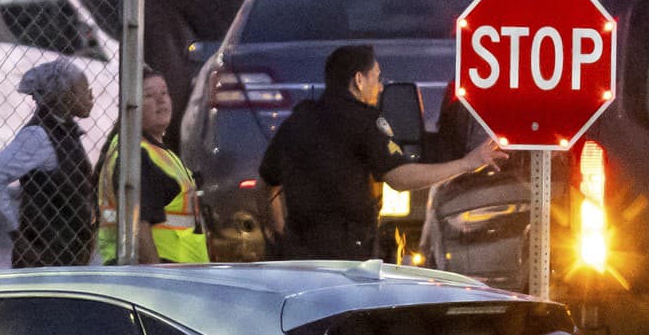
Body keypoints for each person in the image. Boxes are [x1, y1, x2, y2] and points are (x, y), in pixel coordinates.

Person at [259, 44, 506, 262]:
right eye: (376, 78)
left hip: (298, 255)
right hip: (347, 257)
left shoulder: (298, 120)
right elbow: (400, 177)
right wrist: (467, 163)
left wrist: (281, 235)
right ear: (358, 80)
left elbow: (267, 184)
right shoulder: (364, 121)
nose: (379, 87)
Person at [95, 67, 209, 265]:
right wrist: (155, 277)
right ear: (131, 105)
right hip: (160, 271)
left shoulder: (158, 152)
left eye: (164, 92)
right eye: (148, 95)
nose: (161, 100)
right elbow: (139, 225)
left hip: (180, 269)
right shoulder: (137, 154)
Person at [0, 59, 95, 267]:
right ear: (65, 94)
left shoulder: (66, 132)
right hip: (45, 260)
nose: (90, 96)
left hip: (66, 257)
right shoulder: (37, 136)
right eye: (83, 89)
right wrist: (16, 235)